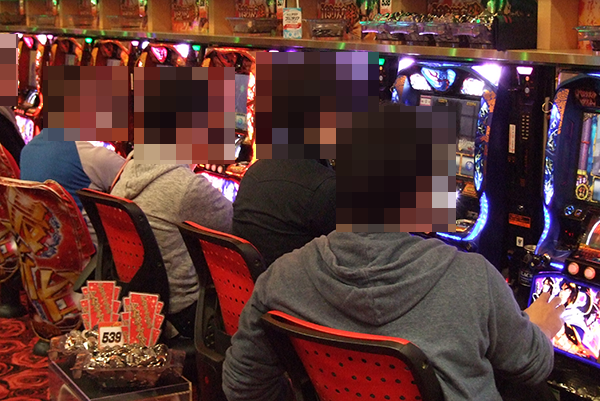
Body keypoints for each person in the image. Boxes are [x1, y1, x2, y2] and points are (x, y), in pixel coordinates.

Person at [222, 232, 565, 401]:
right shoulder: (473, 276)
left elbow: (242, 385)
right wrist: (541, 326)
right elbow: (532, 367)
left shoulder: (282, 276)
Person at [111, 152, 233, 338]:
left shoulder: (129, 169)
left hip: (137, 295)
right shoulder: (188, 186)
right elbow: (238, 227)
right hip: (182, 310)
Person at [19, 130, 125, 245]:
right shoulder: (92, 157)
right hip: (94, 250)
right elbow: (136, 177)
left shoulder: (27, 151)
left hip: (46, 248)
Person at [232, 159, 336, 267]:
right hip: (290, 274)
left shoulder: (255, 170)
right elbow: (345, 252)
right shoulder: (325, 186)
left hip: (248, 273)